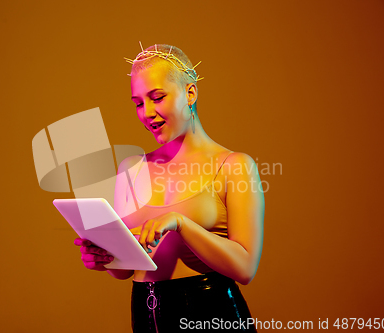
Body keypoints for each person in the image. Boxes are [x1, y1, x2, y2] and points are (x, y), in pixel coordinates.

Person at [74, 44, 264, 332]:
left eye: (157, 97)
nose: (147, 112)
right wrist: (103, 256)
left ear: (190, 93)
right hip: (147, 318)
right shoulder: (131, 169)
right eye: (138, 103)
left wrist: (180, 223)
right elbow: (124, 271)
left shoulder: (234, 165)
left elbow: (246, 268)